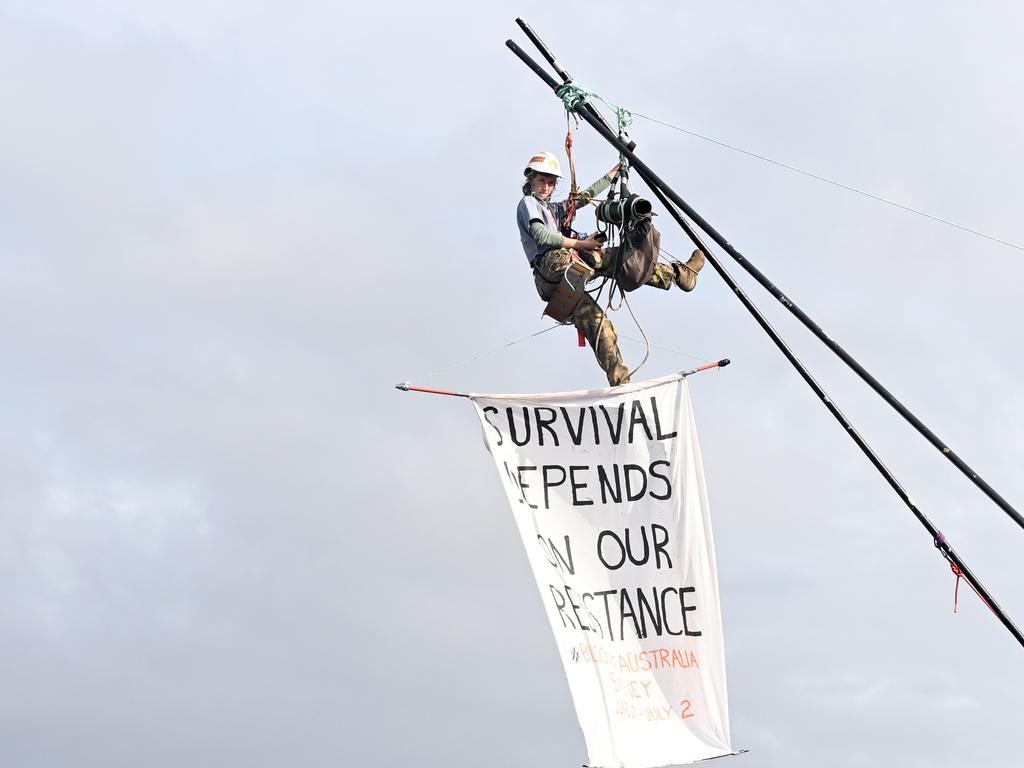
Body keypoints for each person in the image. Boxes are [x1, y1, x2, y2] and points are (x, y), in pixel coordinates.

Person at [516, 151, 705, 386]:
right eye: (542, 180)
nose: (546, 186)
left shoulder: (555, 209)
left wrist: (614, 173)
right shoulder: (528, 204)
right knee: (611, 257)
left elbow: (583, 198)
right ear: (531, 179)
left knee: (599, 323)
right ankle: (678, 275)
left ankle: (620, 382)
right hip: (551, 267)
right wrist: (582, 244)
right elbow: (541, 235)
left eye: (551, 182)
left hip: (558, 282)